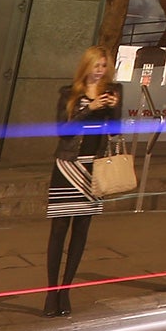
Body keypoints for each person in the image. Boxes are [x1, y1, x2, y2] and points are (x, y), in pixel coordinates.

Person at [46, 46, 122, 317]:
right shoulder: (69, 93)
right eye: (96, 65)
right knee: (58, 231)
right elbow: (62, 131)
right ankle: (50, 292)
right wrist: (88, 108)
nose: (100, 70)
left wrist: (112, 111)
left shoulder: (113, 92)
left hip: (94, 169)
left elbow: (115, 135)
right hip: (67, 167)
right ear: (86, 66)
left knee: (81, 232)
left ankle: (65, 292)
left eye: (104, 65)